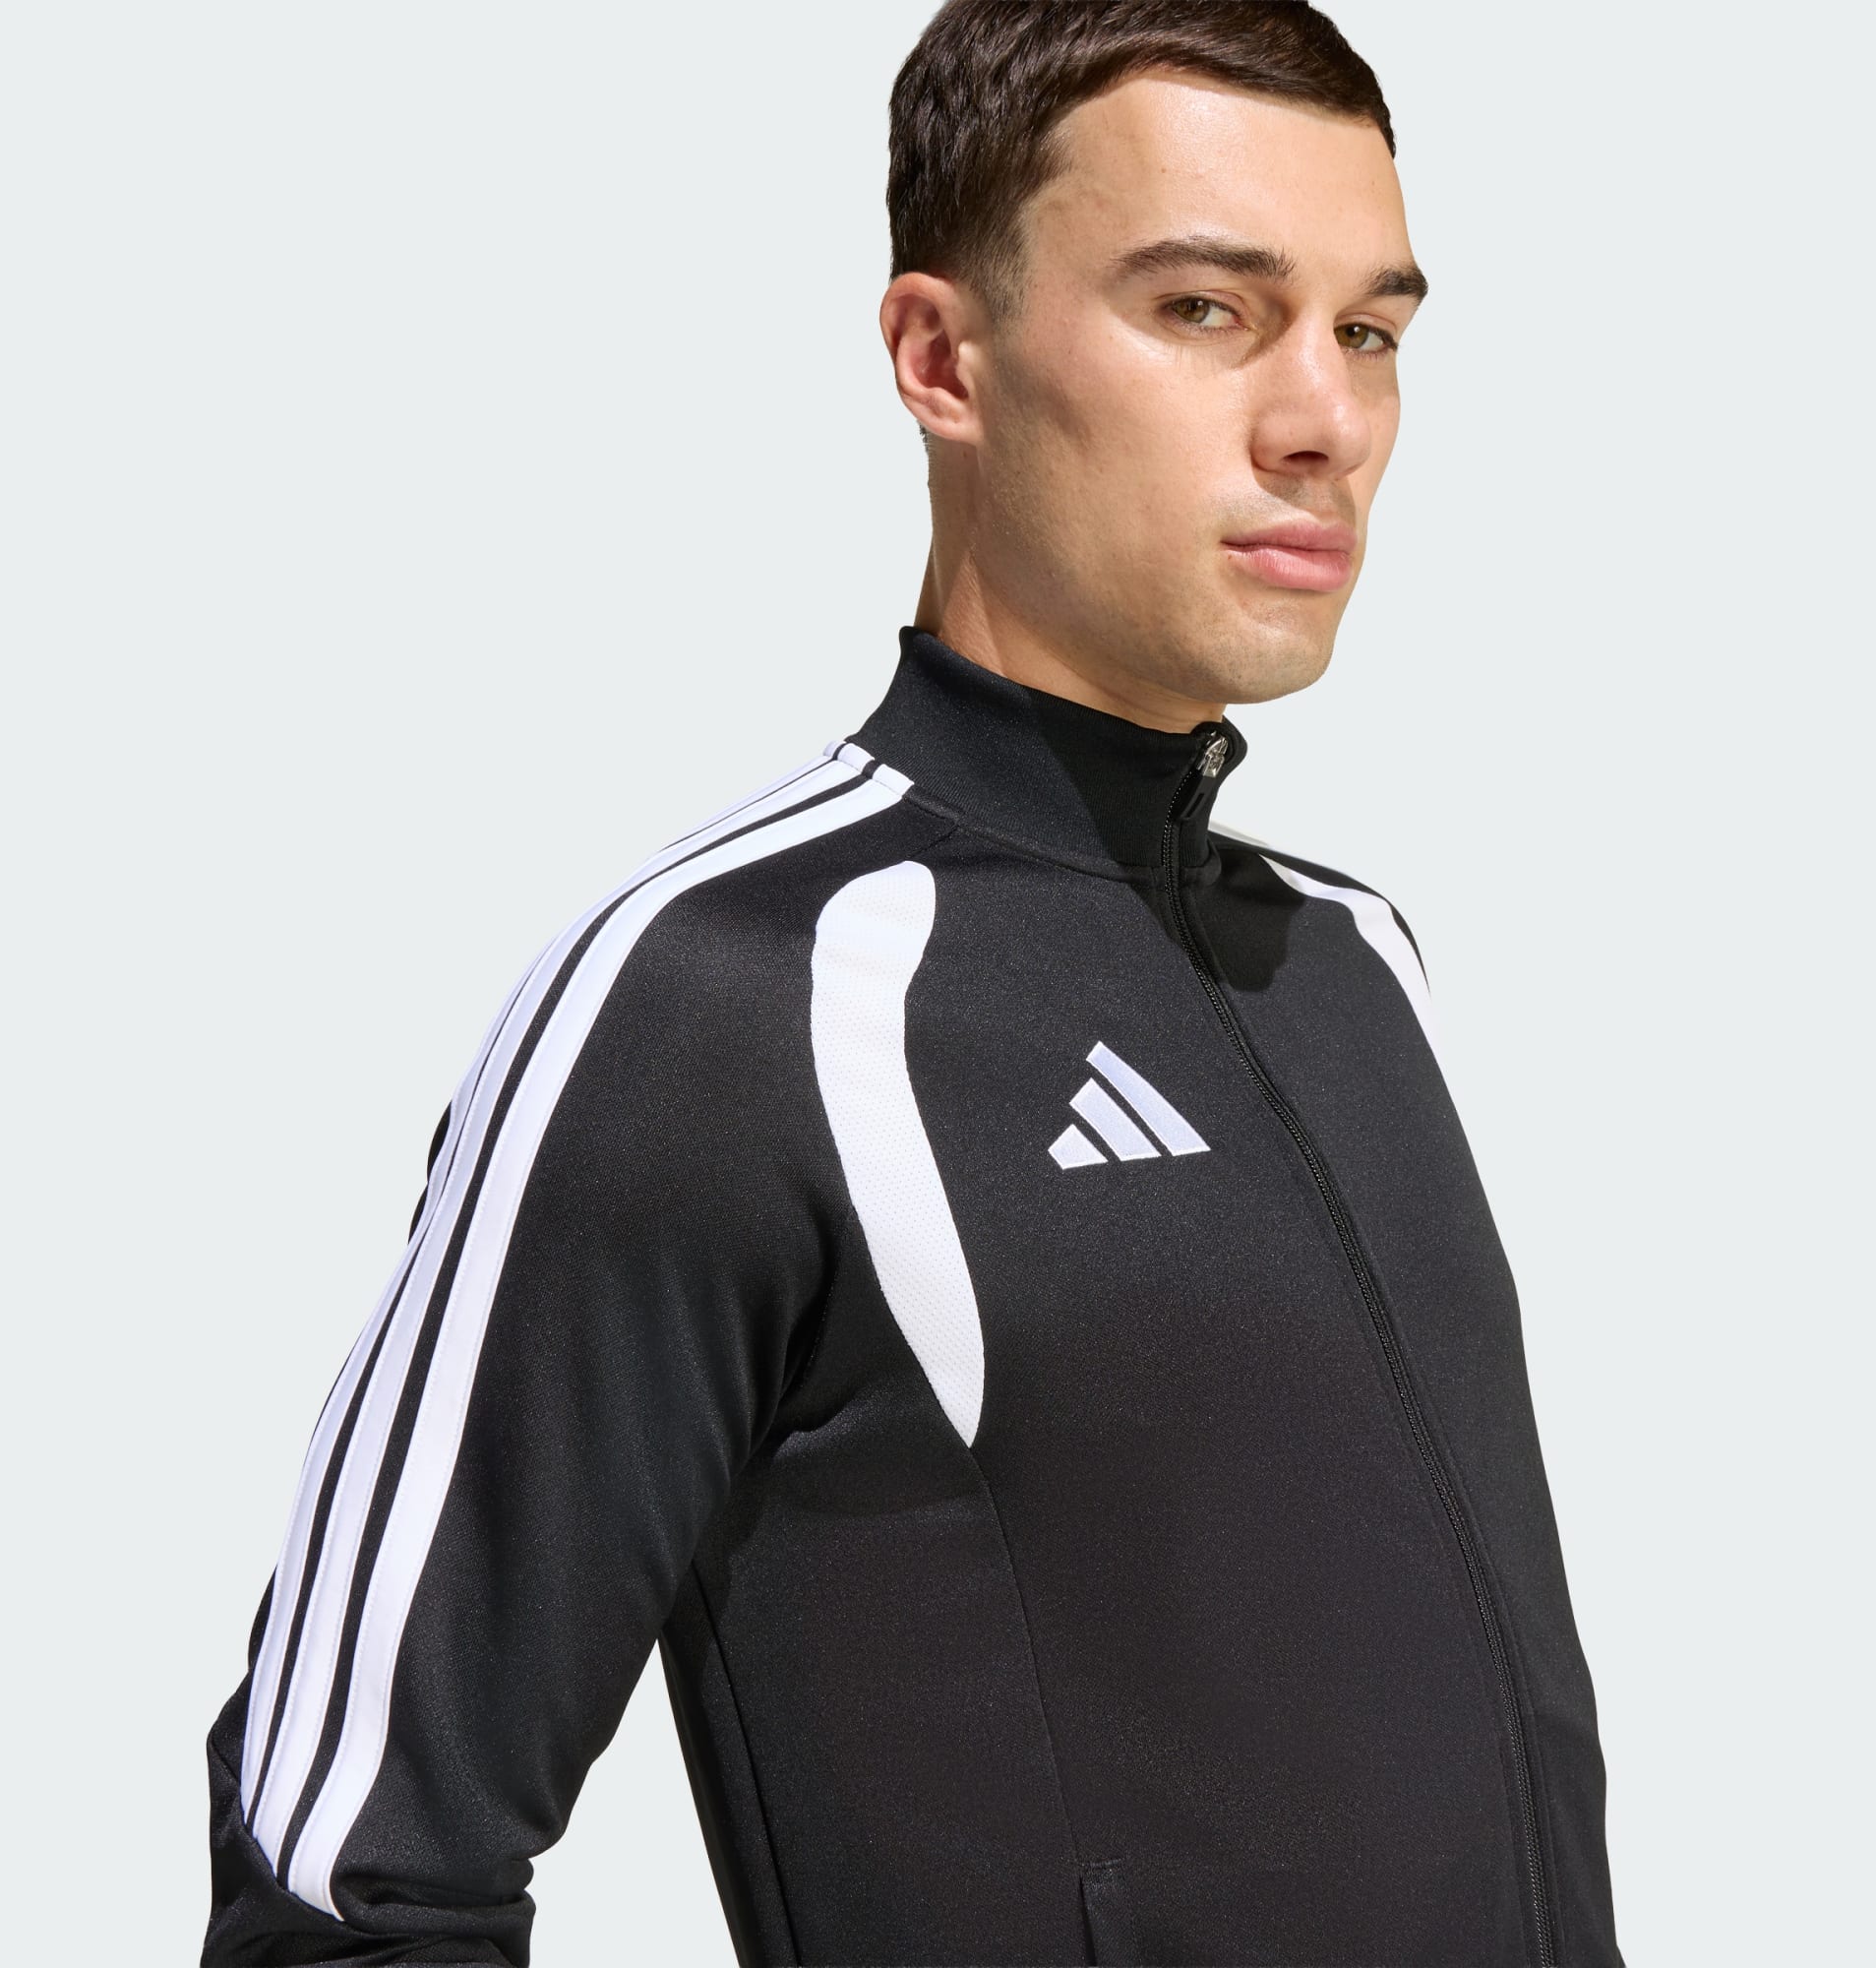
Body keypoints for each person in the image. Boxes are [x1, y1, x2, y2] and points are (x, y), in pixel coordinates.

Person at [203, 3, 1621, 1962]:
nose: (1327, 420)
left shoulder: (1353, 962)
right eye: (1206, 310)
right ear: (943, 359)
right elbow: (350, 1875)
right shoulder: (729, 996)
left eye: (1368, 330)